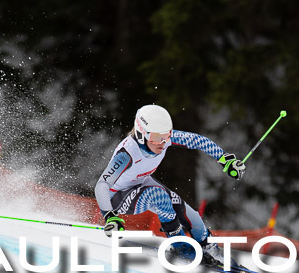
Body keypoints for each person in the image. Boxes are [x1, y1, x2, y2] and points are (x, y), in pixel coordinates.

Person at [94, 104, 245, 264]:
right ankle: (180, 245)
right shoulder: (127, 154)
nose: (163, 142)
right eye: (157, 138)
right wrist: (109, 216)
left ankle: (210, 249)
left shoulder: (163, 139)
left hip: (141, 183)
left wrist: (225, 160)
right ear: (141, 135)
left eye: (167, 136)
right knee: (159, 197)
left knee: (189, 213)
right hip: (117, 197)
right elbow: (102, 185)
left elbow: (198, 141)